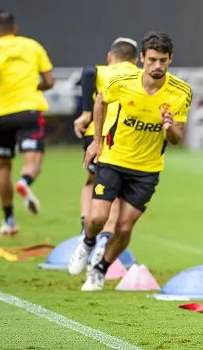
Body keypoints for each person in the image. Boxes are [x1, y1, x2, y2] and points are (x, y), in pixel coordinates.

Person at [68, 32, 192, 291]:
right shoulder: (122, 82)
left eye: (163, 61)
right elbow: (101, 100)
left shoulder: (181, 92)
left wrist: (168, 127)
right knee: (97, 218)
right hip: (114, 158)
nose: (157, 66)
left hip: (147, 169)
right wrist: (97, 141)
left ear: (170, 60)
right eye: (153, 60)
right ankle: (88, 241)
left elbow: (177, 138)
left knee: (123, 228)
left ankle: (100, 270)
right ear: (142, 59)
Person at [0, 10, 55, 236]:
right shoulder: (32, 46)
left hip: (1, 115)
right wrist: (35, 87)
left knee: (2, 166)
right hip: (28, 110)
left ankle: (9, 220)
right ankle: (25, 181)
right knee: (33, 160)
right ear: (15, 29)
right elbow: (49, 80)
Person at [72, 37, 139, 266]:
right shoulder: (139, 76)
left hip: (96, 135)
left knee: (92, 180)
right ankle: (104, 238)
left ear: (111, 56)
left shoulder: (101, 71)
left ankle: (86, 226)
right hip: (123, 136)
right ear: (137, 59)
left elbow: (88, 72)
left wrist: (84, 112)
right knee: (117, 188)